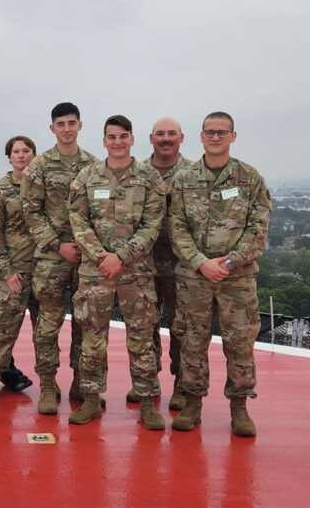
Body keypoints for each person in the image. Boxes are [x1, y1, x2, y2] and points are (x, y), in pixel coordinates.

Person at [168, 111, 271, 437]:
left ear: (232, 136)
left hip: (236, 279)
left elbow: (259, 229)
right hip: (194, 277)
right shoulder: (183, 180)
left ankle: (239, 408)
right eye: (210, 132)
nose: (215, 137)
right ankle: (193, 404)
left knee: (240, 344)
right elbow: (176, 228)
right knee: (191, 342)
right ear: (200, 136)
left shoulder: (250, 178)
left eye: (222, 132)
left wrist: (228, 264)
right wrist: (201, 262)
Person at [67, 115, 167, 428]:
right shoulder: (87, 176)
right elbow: (77, 219)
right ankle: (92, 400)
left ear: (133, 139)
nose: (118, 142)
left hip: (135, 273)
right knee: (92, 340)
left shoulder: (149, 178)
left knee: (141, 340)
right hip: (96, 273)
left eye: (124, 136)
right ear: (104, 141)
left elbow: (153, 225)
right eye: (112, 137)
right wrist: (101, 256)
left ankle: (147, 401)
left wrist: (121, 256)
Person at [21, 102, 99, 415]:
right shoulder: (38, 166)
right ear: (52, 129)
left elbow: (99, 212)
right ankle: (48, 385)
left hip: (86, 257)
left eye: (71, 123)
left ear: (80, 126)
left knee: (85, 322)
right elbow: (31, 211)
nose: (66, 129)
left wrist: (86, 246)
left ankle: (81, 381)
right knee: (47, 323)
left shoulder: (94, 165)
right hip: (51, 258)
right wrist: (57, 244)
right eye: (60, 124)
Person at [125, 117, 191, 410]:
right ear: (150, 139)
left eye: (171, 134)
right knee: (144, 328)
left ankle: (181, 385)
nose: (166, 139)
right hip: (143, 266)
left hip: (182, 267)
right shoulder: (135, 173)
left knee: (183, 329)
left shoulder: (193, 173)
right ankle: (146, 382)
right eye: (160, 134)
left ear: (181, 138)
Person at [0, 136, 40, 401]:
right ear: (9, 157)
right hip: (12, 272)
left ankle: (48, 382)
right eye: (16, 151)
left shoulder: (43, 186)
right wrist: (5, 271)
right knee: (3, 329)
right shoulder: (0, 190)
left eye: (26, 151)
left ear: (34, 154)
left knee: (45, 332)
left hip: (43, 270)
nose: (21, 155)